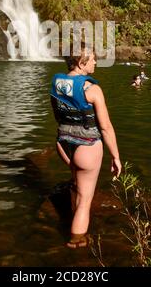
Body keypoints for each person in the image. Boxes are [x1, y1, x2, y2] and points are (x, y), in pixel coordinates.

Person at [50, 44, 121, 249]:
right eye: (92, 59)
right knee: (84, 201)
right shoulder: (92, 89)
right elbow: (106, 128)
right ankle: (77, 241)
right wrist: (115, 157)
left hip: (63, 144)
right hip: (86, 147)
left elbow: (57, 115)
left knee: (77, 181)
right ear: (82, 63)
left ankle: (72, 199)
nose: (96, 62)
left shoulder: (56, 83)